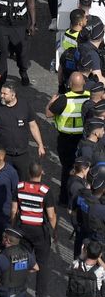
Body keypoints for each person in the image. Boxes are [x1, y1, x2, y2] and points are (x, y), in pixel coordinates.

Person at [10, 162, 57, 297]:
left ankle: (16, 289)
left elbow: (13, 210)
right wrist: (53, 232)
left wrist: (13, 226)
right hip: (39, 231)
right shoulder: (45, 191)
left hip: (23, 228)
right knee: (42, 262)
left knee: (20, 259)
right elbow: (51, 215)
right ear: (41, 173)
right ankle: (40, 296)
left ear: (28, 173)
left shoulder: (19, 187)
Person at [0, 81, 45, 180]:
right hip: (4, 154)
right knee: (3, 181)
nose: (1, 96)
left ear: (13, 95)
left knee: (23, 181)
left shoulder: (24, 106)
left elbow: (33, 126)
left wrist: (40, 144)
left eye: (5, 94)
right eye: (1, 93)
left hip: (22, 154)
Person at [46, 71, 91, 205]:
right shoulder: (89, 96)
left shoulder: (64, 99)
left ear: (70, 84)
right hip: (84, 139)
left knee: (67, 169)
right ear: (84, 83)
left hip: (66, 140)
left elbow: (48, 114)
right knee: (85, 167)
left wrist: (51, 102)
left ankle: (64, 199)